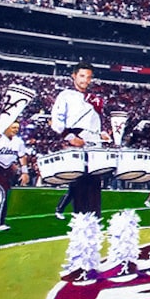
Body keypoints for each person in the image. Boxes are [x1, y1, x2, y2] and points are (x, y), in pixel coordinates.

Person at [50, 62, 110, 216]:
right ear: (74, 76)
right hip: (76, 144)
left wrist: (102, 134)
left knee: (95, 189)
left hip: (94, 147)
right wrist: (70, 137)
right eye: (82, 76)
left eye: (89, 77)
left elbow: (96, 124)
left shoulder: (95, 99)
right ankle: (80, 227)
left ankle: (94, 225)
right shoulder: (65, 95)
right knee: (79, 188)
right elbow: (56, 122)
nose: (85, 80)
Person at [0, 121, 30, 233]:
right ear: (7, 127)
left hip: (5, 171)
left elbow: (22, 156)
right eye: (13, 127)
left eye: (17, 127)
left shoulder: (19, 142)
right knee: (1, 192)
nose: (16, 129)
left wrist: (24, 172)